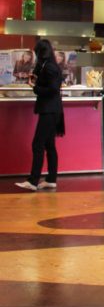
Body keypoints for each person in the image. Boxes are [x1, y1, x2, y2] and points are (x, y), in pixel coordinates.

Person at [15, 39, 64, 192]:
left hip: (49, 110)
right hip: (52, 109)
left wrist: (35, 88)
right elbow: (51, 85)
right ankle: (51, 179)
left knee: (38, 144)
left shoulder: (49, 67)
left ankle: (33, 180)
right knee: (49, 145)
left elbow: (53, 89)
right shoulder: (50, 66)